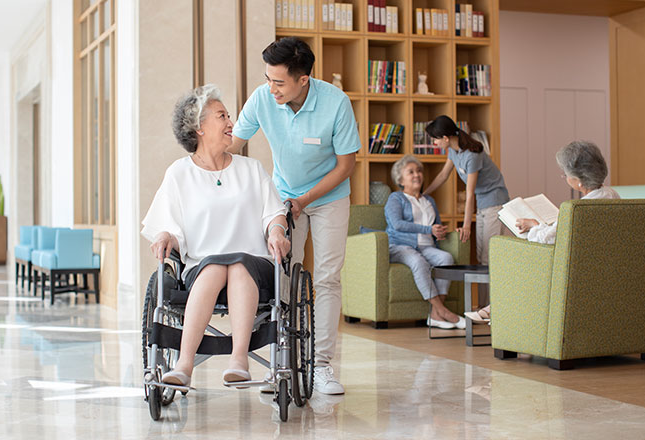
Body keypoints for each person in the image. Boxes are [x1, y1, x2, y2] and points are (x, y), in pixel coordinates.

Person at [231, 37, 360, 395]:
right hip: (285, 196)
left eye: (279, 82)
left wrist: (305, 199)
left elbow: (346, 165)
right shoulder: (262, 98)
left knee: (327, 278)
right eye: (268, 79)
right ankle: (283, 363)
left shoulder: (336, 103)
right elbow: (232, 144)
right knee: (284, 276)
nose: (271, 88)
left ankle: (321, 366)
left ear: (303, 79)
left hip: (328, 197)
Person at [141, 85, 290, 388]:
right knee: (213, 267)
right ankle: (184, 365)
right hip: (202, 266)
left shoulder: (251, 168)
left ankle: (239, 359)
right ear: (199, 128)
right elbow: (166, 225)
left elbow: (273, 212)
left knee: (236, 264)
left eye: (228, 116)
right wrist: (166, 235)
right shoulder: (179, 173)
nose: (230, 122)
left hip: (255, 264)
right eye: (222, 116)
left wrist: (277, 231)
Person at [466, 140, 620, 323]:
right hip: (599, 266)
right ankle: (496, 309)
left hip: (576, 272)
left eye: (565, 175)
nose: (564, 177)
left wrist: (533, 224)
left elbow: (547, 239)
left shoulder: (580, 208)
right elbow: (565, 234)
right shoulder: (612, 196)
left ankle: (498, 310)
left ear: (578, 181)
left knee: (526, 259)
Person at [422, 115, 510, 312]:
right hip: (482, 206)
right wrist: (423, 194)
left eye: (435, 139)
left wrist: (466, 225)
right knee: (481, 258)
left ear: (445, 138)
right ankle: (484, 308)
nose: (434, 143)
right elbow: (443, 175)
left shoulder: (472, 154)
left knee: (489, 259)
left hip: (495, 205)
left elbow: (469, 194)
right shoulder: (454, 152)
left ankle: (491, 310)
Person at [385, 155, 465, 330]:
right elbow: (397, 224)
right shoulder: (395, 198)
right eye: (411, 172)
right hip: (399, 246)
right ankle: (442, 311)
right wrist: (428, 230)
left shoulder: (429, 201)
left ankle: (436, 315)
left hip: (427, 246)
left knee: (446, 259)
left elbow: (436, 227)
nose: (417, 175)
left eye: (419, 171)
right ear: (400, 179)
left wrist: (447, 233)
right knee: (418, 262)